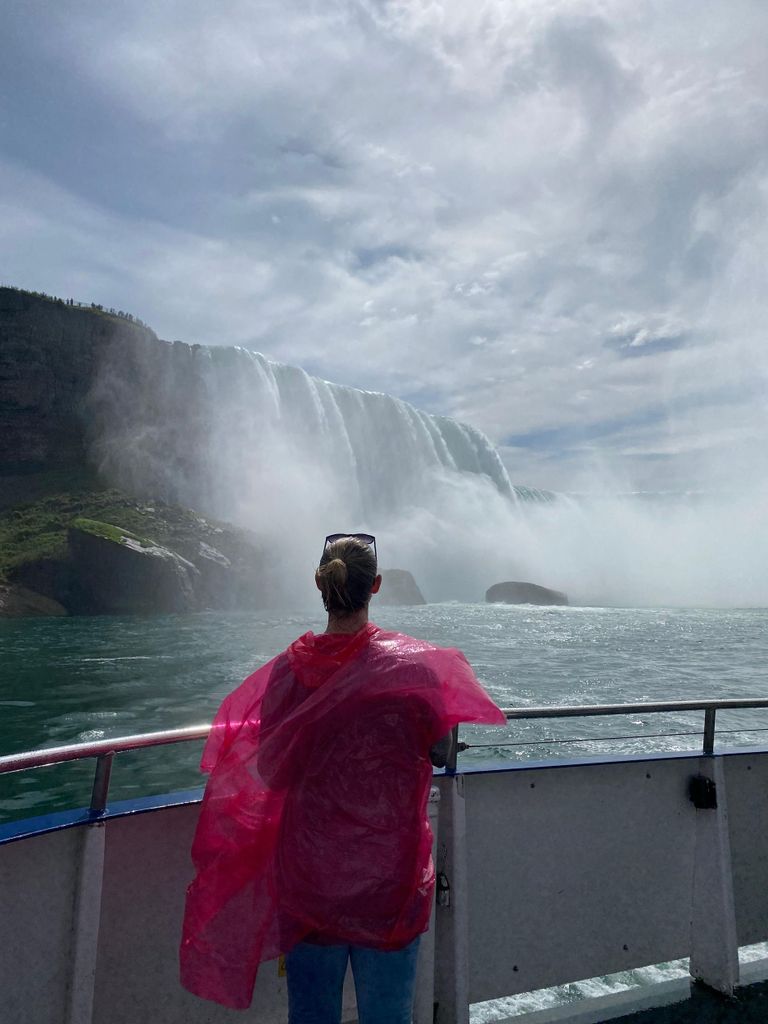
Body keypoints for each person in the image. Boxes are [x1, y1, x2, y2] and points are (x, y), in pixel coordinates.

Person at [180, 533, 505, 1022]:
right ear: (375, 586)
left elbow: (269, 768)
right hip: (390, 882)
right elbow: (441, 751)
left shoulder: (288, 673)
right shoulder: (414, 668)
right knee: (388, 1017)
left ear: (321, 585)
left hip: (310, 880)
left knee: (310, 1016)